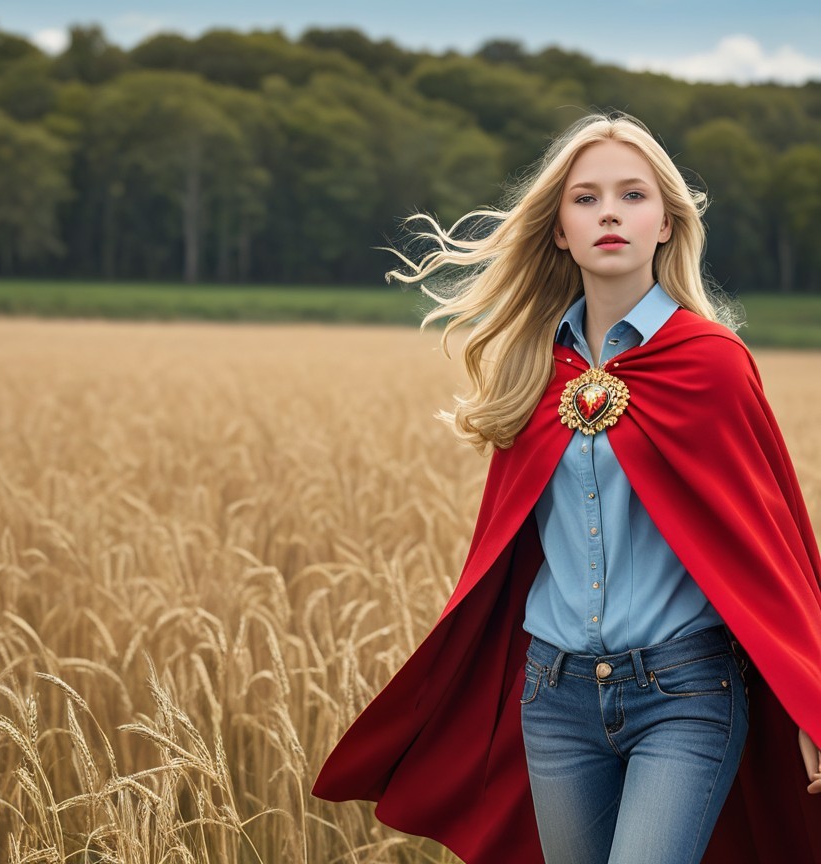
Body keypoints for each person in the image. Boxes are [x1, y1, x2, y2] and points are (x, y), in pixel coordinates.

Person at [312, 112, 821, 864]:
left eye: (632, 195)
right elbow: (508, 543)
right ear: (558, 229)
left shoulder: (711, 362)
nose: (609, 211)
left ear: (666, 225)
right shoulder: (535, 369)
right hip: (555, 699)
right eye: (585, 198)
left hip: (684, 695)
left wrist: (809, 695)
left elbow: (768, 542)